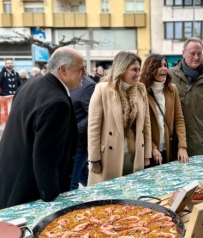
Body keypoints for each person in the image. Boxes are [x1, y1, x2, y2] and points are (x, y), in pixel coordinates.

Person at [0, 47, 83, 209]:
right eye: (81, 69)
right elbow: (45, 159)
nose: (85, 75)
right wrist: (51, 198)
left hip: (9, 177)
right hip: (28, 190)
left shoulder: (32, 83)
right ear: (64, 70)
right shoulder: (56, 102)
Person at [87, 51, 151, 185]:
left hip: (134, 154)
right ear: (122, 70)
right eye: (134, 70)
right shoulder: (102, 89)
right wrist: (94, 159)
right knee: (108, 198)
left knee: (132, 195)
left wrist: (147, 154)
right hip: (109, 156)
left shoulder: (141, 90)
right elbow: (93, 127)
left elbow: (146, 124)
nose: (138, 73)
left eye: (139, 69)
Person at [169, 37, 203, 156]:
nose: (197, 57)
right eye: (192, 53)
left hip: (198, 139)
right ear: (183, 53)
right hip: (173, 138)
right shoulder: (170, 75)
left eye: (199, 54)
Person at [140, 54, 189, 165]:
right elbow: (139, 125)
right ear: (150, 69)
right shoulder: (141, 91)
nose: (164, 69)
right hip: (148, 150)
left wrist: (182, 146)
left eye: (165, 65)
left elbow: (179, 119)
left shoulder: (172, 89)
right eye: (159, 66)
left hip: (169, 147)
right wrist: (151, 147)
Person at [70, 75, 96, 190]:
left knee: (71, 182)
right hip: (70, 141)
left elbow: (93, 114)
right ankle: (96, 197)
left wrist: (76, 130)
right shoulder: (70, 81)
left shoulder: (88, 85)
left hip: (79, 141)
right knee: (83, 175)